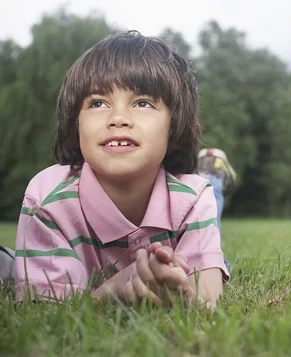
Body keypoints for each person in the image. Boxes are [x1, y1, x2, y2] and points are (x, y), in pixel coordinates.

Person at [6, 31, 231, 308]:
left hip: (193, 196)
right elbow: (48, 312)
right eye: (98, 103)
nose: (118, 118)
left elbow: (207, 301)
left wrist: (178, 290)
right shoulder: (47, 199)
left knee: (209, 200)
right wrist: (119, 286)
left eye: (143, 103)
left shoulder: (194, 196)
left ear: (175, 125)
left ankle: (213, 175)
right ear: (75, 123)